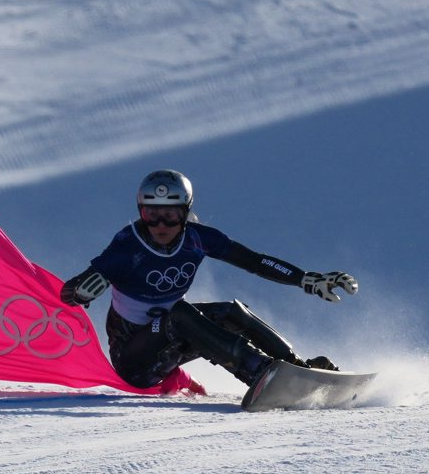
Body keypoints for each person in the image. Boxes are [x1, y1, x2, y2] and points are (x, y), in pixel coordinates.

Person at [60, 169, 358, 398]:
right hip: (133, 360)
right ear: (141, 212)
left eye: (170, 215)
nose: (161, 226)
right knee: (180, 314)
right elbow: (68, 292)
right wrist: (79, 291)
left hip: (169, 341)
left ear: (185, 212)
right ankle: (258, 371)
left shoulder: (197, 239)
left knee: (231, 312)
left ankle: (297, 369)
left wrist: (304, 279)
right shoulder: (127, 246)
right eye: (152, 215)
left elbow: (254, 261)